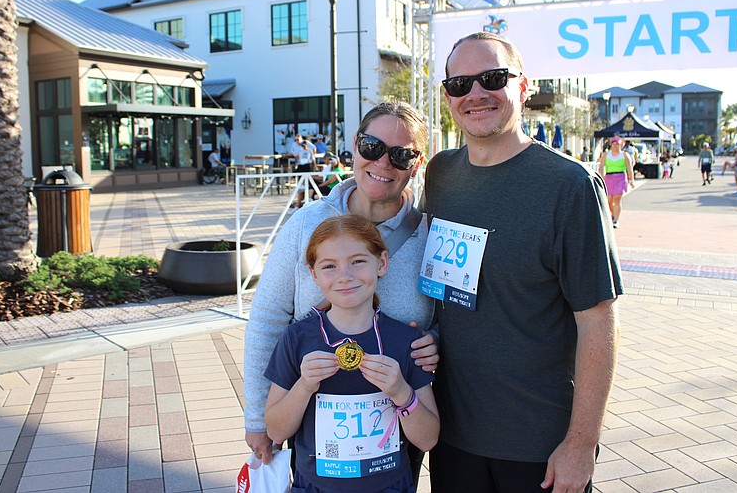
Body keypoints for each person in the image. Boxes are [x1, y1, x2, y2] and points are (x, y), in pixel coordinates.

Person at [424, 31, 621, 492]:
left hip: (540, 448)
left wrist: (581, 443)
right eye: (459, 84)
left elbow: (599, 323)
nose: (475, 94)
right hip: (452, 440)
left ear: (523, 86)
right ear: (448, 97)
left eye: (492, 78)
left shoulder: (569, 186)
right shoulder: (440, 174)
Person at [244, 102, 438, 481]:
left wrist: (436, 340)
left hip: (395, 437)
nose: (383, 163)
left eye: (401, 155)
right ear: (355, 145)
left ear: (418, 163)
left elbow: (453, 315)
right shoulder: (307, 224)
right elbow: (268, 318)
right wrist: (257, 418)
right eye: (372, 147)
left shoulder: (430, 234)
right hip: (314, 433)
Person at [265, 215, 440, 492]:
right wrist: (304, 386)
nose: (345, 276)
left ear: (381, 263)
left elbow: (428, 439)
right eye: (329, 266)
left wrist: (401, 393)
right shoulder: (297, 339)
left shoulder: (406, 341)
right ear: (314, 274)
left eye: (357, 261)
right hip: (315, 486)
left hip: (390, 485)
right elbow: (275, 431)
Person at [598, 136, 635, 228]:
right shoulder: (606, 155)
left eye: (617, 144)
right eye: (614, 144)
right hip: (609, 177)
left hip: (620, 177)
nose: (615, 146)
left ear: (621, 145)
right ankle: (612, 214)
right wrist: (602, 177)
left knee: (617, 199)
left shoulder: (624, 155)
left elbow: (629, 168)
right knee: (609, 200)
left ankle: (616, 220)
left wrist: (631, 180)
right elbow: (601, 167)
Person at [288, 134, 317, 208]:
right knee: (298, 173)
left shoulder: (309, 150)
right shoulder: (300, 151)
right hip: (302, 164)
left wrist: (315, 166)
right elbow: (297, 157)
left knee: (307, 178)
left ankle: (307, 194)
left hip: (307, 165)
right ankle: (294, 181)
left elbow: (312, 159)